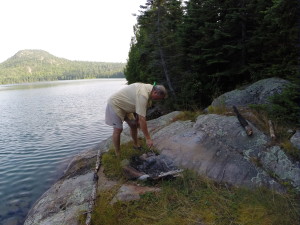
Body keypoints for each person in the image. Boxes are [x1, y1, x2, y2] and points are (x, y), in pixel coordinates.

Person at [105, 82, 167, 157]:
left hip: (126, 105)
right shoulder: (143, 95)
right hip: (115, 104)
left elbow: (139, 109)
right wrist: (148, 138)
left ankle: (136, 145)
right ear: (155, 92)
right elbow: (142, 119)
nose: (158, 100)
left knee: (134, 125)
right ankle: (118, 153)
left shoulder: (150, 90)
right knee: (118, 129)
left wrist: (136, 120)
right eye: (158, 98)